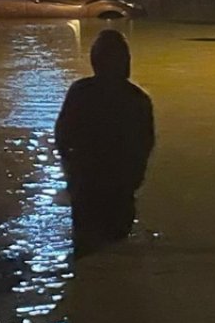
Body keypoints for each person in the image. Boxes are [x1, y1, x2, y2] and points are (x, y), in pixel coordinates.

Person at [55, 30, 155, 256]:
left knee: (85, 250)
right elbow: (145, 143)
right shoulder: (137, 99)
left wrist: (70, 170)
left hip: (86, 184)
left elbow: (62, 135)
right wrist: (135, 178)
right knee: (117, 250)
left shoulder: (80, 92)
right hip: (119, 186)